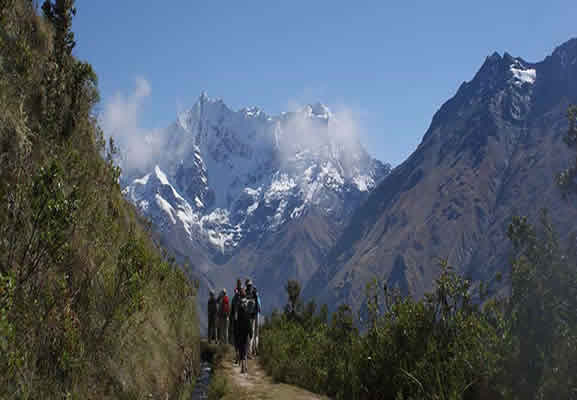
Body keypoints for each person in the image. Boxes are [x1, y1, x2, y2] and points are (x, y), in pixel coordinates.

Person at [236, 287, 253, 374]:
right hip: (246, 332)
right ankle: (245, 366)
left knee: (242, 349)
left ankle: (243, 366)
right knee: (245, 349)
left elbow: (237, 322)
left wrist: (237, 333)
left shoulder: (239, 309)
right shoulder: (247, 309)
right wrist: (251, 333)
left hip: (240, 332)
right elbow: (249, 322)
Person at [245, 280, 259, 358]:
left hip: (246, 317)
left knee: (247, 334)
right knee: (251, 334)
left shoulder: (245, 293)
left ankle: (247, 352)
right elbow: (257, 306)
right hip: (252, 317)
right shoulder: (254, 293)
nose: (249, 287)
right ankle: (249, 352)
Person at [230, 279, 242, 363]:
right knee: (242, 338)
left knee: (236, 338)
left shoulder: (234, 298)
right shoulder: (243, 294)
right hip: (242, 320)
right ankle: (241, 355)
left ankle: (237, 355)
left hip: (236, 320)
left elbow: (231, 311)